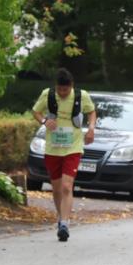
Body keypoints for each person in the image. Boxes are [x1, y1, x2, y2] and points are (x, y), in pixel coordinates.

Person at [32, 68, 96, 242]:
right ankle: (61, 217)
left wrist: (91, 129)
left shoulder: (81, 96)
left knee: (67, 186)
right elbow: (36, 111)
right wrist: (45, 121)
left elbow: (91, 112)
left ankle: (65, 224)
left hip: (73, 146)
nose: (62, 93)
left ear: (71, 86)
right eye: (60, 89)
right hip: (53, 147)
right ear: (56, 86)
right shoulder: (48, 94)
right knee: (57, 187)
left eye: (65, 90)